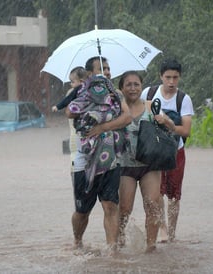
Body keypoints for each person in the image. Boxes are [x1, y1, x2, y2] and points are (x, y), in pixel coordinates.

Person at [65, 56, 132, 253]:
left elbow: (127, 117)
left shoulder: (116, 93)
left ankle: (112, 252)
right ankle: (77, 241)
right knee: (82, 210)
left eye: (109, 68)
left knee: (110, 205)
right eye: (102, 68)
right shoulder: (79, 91)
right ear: (90, 74)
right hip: (83, 159)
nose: (108, 72)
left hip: (110, 157)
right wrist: (94, 99)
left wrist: (103, 127)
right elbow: (69, 112)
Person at [117, 71, 174, 253]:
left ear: (141, 87)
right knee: (125, 208)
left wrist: (165, 120)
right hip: (125, 165)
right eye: (128, 85)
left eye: (136, 84)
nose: (133, 88)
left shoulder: (151, 106)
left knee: (153, 204)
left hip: (150, 165)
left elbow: (172, 127)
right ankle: (119, 238)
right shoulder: (117, 109)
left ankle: (151, 246)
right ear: (121, 88)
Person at [141, 59, 194, 242]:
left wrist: (169, 124)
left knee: (174, 195)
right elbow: (140, 119)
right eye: (168, 77)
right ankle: (162, 228)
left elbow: (186, 131)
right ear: (160, 76)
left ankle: (171, 233)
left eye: (175, 78)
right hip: (154, 152)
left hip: (175, 152)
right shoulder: (148, 93)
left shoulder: (183, 99)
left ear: (180, 78)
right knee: (156, 193)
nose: (171, 82)